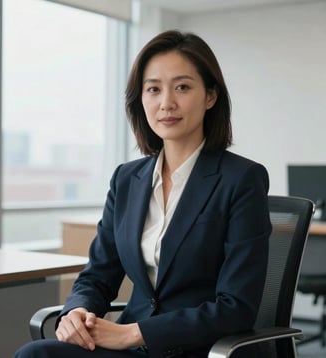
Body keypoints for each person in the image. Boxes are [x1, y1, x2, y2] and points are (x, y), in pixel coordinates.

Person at [15, 30, 272, 358]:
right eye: (153, 89)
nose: (167, 103)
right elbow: (98, 275)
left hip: (198, 349)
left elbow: (237, 307)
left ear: (210, 96)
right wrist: (76, 311)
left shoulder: (241, 179)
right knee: (37, 354)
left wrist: (134, 333)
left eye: (182, 87)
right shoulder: (127, 179)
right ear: (141, 99)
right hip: (131, 349)